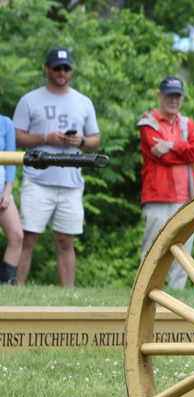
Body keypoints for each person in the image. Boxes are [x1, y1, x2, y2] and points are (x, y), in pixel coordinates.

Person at [12, 46, 100, 286]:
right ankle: (15, 290)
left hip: (70, 182)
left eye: (67, 68)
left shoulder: (83, 101)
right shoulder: (29, 99)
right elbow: (16, 136)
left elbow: (95, 140)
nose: (62, 72)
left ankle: (68, 294)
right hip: (37, 180)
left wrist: (79, 140)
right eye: (58, 68)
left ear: (70, 71)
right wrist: (45, 138)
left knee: (65, 241)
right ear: (47, 69)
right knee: (27, 238)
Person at [137, 76, 194, 289]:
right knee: (153, 247)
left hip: (186, 196)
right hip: (157, 196)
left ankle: (178, 292)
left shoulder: (188, 123)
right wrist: (188, 151)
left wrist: (171, 145)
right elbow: (163, 157)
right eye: (169, 96)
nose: (173, 100)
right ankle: (144, 291)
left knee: (183, 247)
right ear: (160, 96)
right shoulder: (148, 122)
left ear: (183, 98)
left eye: (177, 96)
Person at [0, 112, 22, 285]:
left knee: (17, 236)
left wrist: (7, 192)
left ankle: (6, 285)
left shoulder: (5, 123)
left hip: (2, 190)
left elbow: (12, 159)